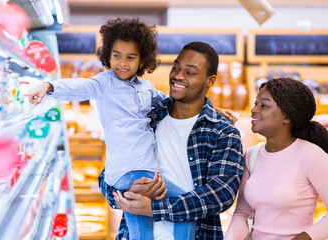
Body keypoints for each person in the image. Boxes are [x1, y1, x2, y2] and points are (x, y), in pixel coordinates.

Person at [25, 19, 235, 240]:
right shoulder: (104, 83)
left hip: (136, 172)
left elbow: (169, 102)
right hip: (134, 171)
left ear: (142, 59)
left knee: (141, 230)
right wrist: (49, 87)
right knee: (183, 215)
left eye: (130, 57)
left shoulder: (147, 91)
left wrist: (211, 108)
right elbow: (80, 86)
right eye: (116, 55)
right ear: (108, 55)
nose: (122, 63)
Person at [99, 41, 244, 240]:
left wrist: (155, 209)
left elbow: (220, 194)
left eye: (190, 72)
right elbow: (107, 175)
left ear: (210, 81)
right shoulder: (147, 119)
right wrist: (126, 192)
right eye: (176, 68)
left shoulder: (223, 132)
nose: (178, 76)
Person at [225, 78, 328, 240]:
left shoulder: (312, 156)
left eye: (263, 105)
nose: (253, 110)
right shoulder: (252, 155)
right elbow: (242, 213)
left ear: (286, 116)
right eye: (255, 103)